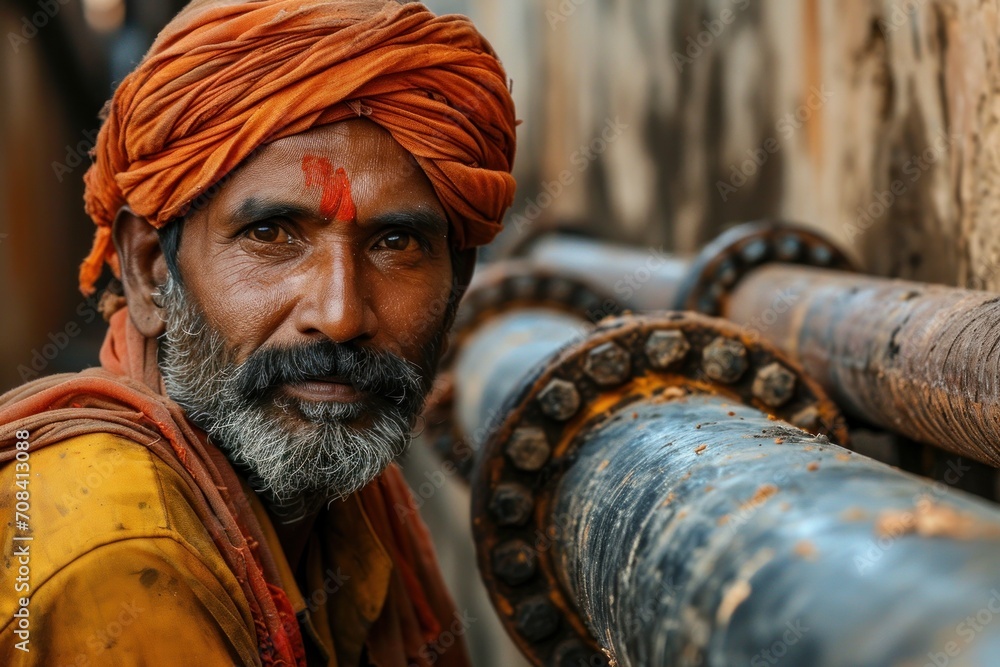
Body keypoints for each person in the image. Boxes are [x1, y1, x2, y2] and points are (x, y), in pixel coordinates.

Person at [0, 0, 516, 665]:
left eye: (396, 242)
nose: (338, 315)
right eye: (270, 234)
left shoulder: (337, 510)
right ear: (151, 272)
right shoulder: (116, 556)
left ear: (457, 283)